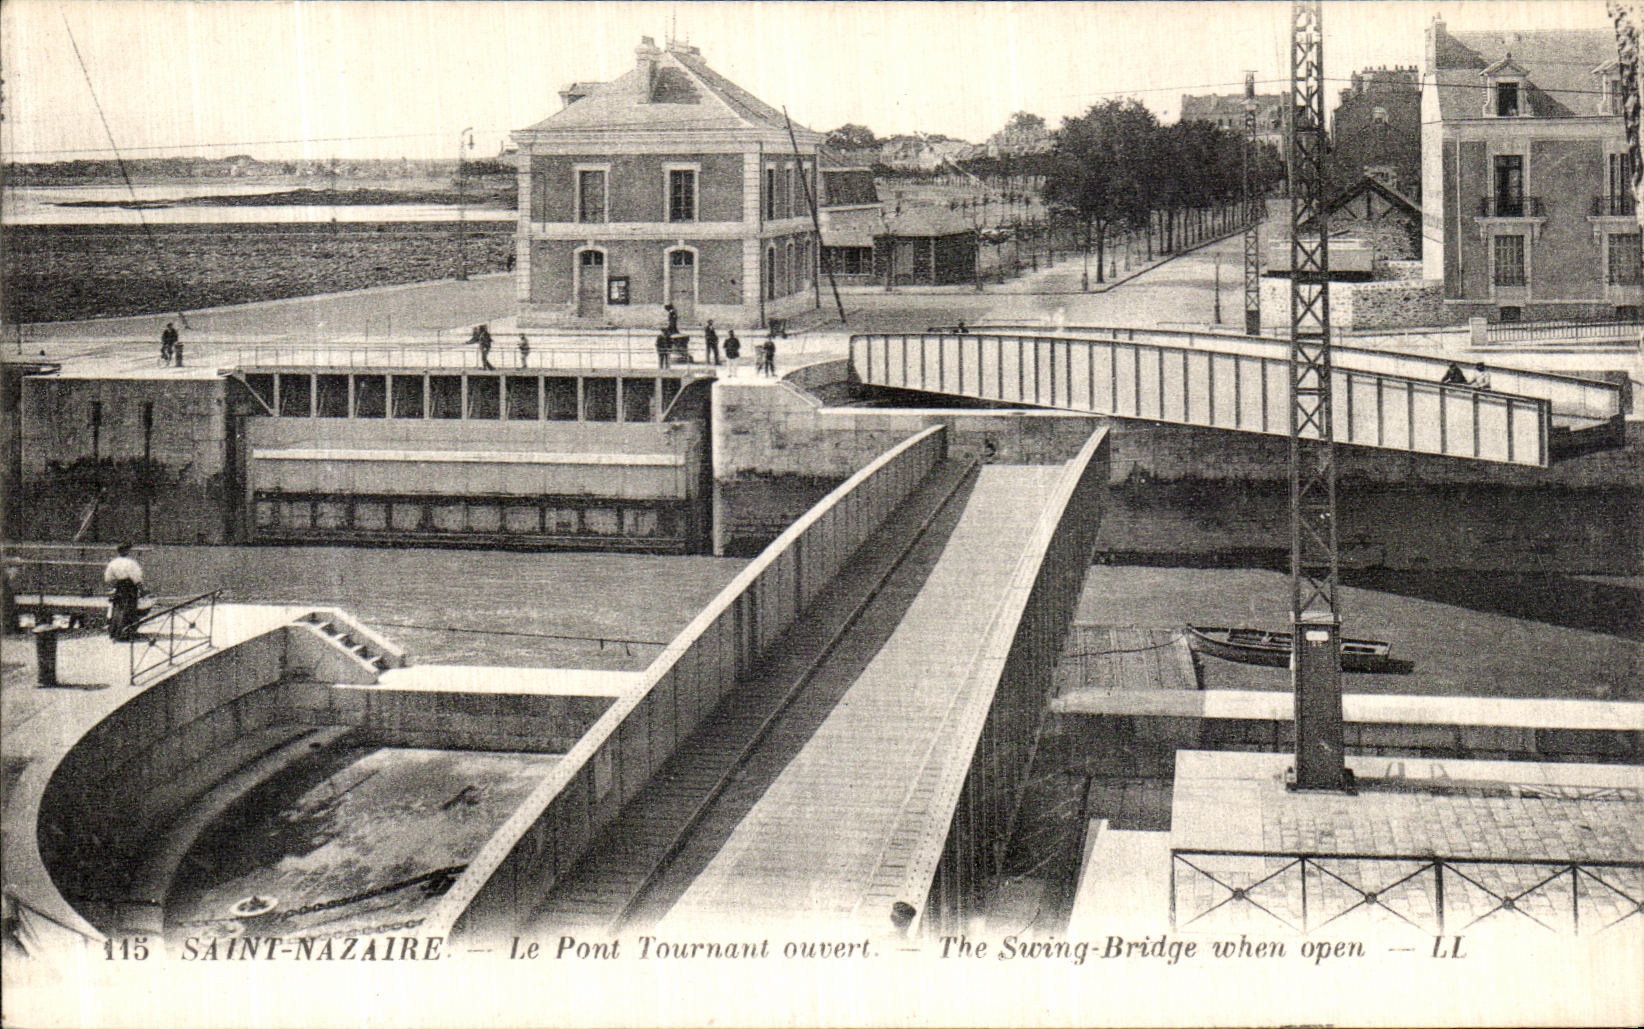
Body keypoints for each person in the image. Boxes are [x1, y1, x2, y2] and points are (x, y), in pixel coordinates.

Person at [103, 543, 144, 641]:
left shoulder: (113, 563)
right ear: (126, 551)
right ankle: (126, 633)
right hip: (130, 587)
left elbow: (108, 578)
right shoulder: (131, 563)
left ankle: (115, 632)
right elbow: (136, 577)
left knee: (118, 608)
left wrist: (116, 585)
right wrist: (142, 589)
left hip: (119, 586)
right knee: (129, 609)